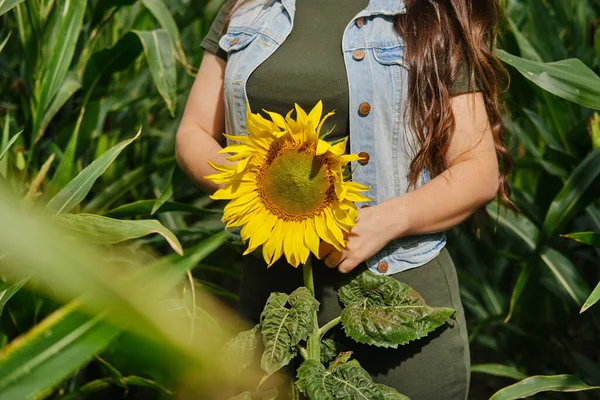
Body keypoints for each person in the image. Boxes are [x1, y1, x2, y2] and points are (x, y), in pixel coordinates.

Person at [175, 0, 511, 398]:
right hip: (274, 316)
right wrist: (254, 187)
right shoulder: (250, 6)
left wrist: (386, 221)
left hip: (394, 308)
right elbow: (193, 131)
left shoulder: (428, 9)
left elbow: (477, 169)